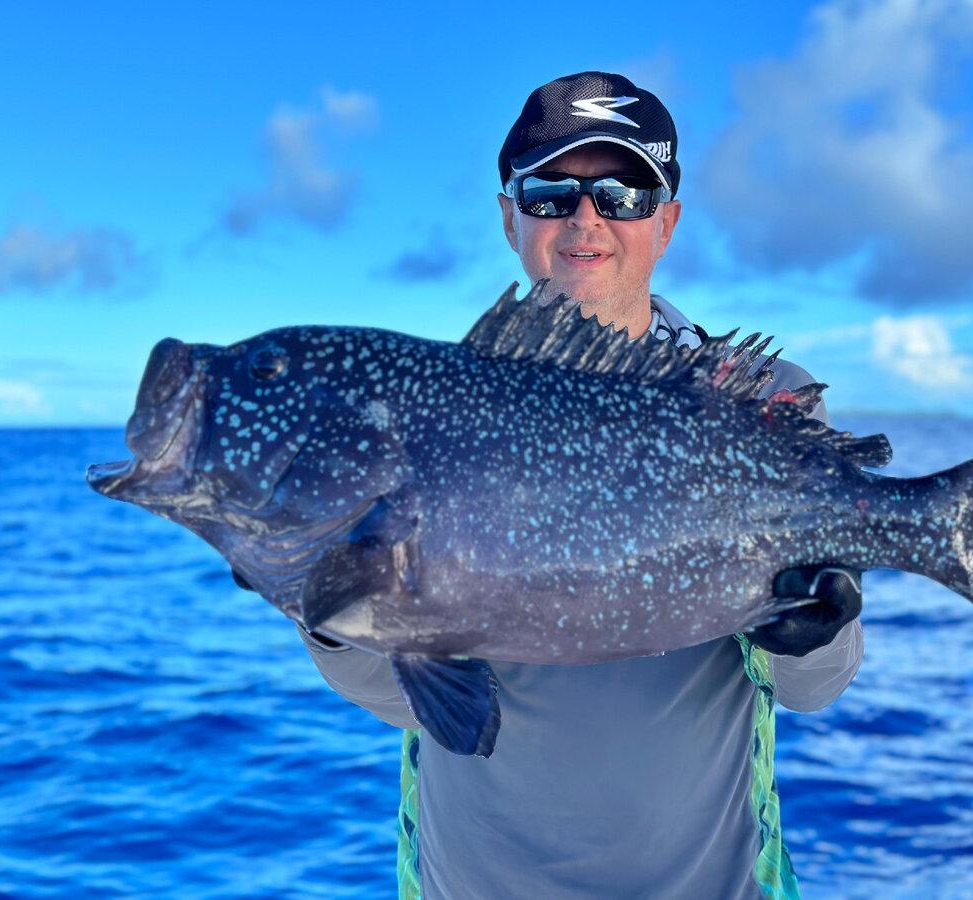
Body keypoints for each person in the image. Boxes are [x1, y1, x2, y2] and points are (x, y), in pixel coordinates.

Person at [296, 72, 863, 900]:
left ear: (666, 223)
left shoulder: (760, 399)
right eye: (552, 192)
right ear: (509, 217)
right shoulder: (429, 413)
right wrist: (334, 613)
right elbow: (410, 701)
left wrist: (814, 632)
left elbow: (818, 688)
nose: (586, 219)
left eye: (623, 193)